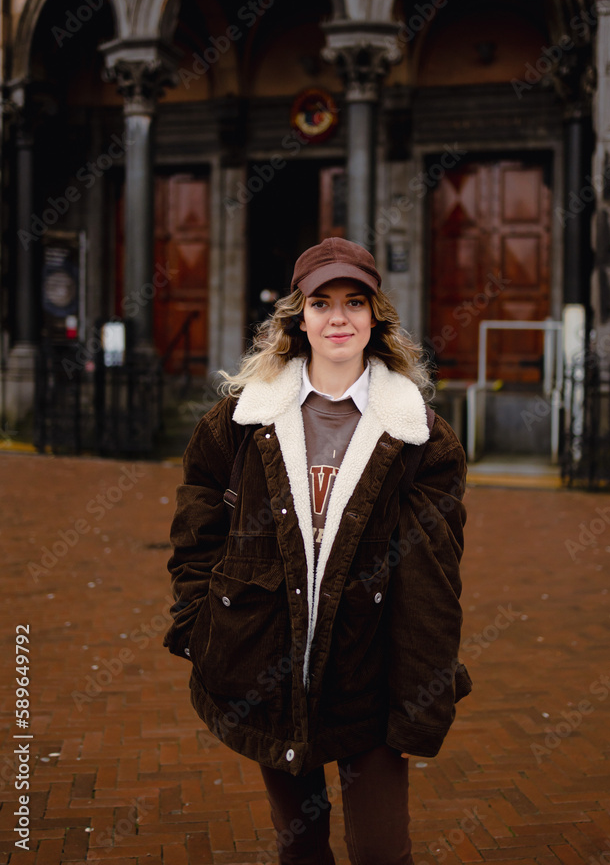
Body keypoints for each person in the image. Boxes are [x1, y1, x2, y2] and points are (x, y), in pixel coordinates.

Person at [164, 237, 471, 865]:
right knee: (300, 844)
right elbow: (198, 523)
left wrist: (419, 698)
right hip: (269, 672)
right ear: (298, 317)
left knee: (383, 851)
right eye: (322, 302)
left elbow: (433, 583)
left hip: (370, 677)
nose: (338, 318)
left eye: (354, 302)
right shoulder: (241, 423)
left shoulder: (418, 438)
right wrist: (201, 622)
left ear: (374, 317)